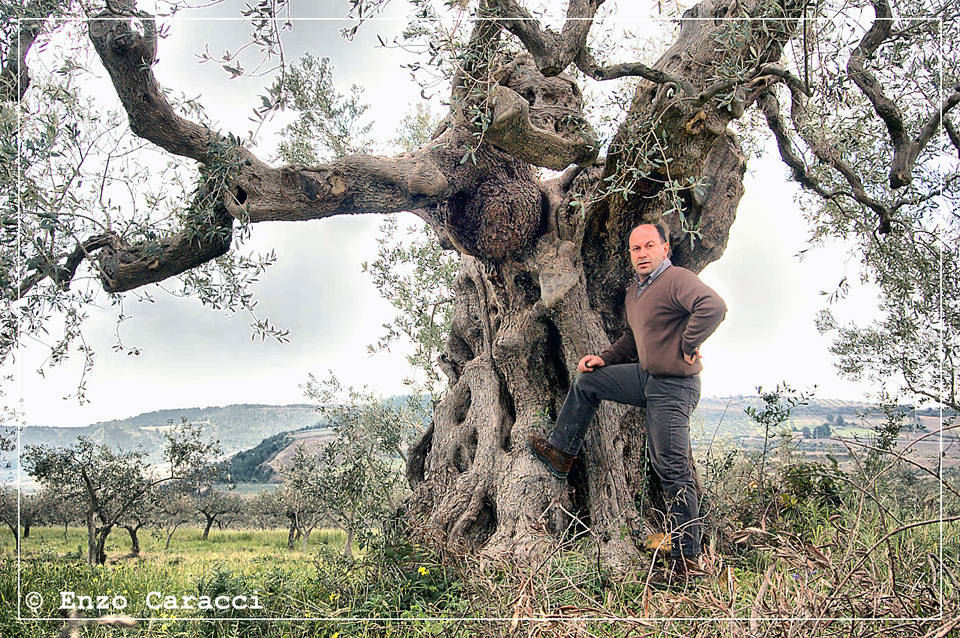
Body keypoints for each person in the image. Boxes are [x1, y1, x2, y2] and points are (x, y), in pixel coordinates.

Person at [528, 222, 726, 579]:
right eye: (636, 249)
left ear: (665, 249)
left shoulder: (676, 279)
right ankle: (561, 452)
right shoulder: (636, 292)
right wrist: (604, 358)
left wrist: (688, 343)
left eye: (650, 246)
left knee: (672, 469)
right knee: (588, 381)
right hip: (646, 377)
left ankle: (687, 561)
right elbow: (631, 340)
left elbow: (713, 306)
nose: (643, 254)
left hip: (674, 388)